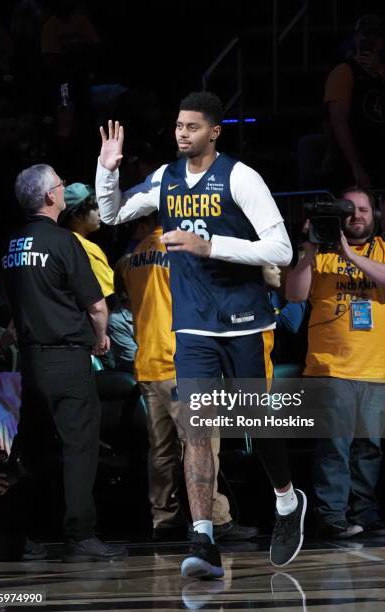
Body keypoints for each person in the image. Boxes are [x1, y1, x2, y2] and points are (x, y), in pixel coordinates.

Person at [96, 92, 306, 579]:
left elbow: (281, 247)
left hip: (243, 320)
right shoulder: (166, 179)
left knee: (257, 423)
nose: (182, 133)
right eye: (177, 125)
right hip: (191, 326)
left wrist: (209, 246)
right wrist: (107, 170)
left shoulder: (240, 177)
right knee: (195, 428)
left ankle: (286, 500)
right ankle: (203, 537)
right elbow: (111, 214)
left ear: (214, 132)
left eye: (192, 126)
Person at [1, 163, 127, 562]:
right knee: (80, 448)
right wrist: (101, 337)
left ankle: (14, 536)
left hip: (31, 361)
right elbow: (96, 305)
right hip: (68, 359)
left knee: (32, 451)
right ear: (49, 197)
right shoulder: (64, 242)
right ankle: (80, 536)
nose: (61, 189)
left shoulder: (10, 244)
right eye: (59, 184)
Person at [117, 214, 258, 542]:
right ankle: (215, 519)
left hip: (148, 365)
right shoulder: (180, 251)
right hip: (182, 363)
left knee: (161, 450)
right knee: (202, 444)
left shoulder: (131, 258)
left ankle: (164, 519)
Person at [286, 186, 385, 538]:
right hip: (330, 369)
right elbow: (294, 293)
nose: (356, 215)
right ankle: (332, 516)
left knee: (368, 449)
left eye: (364, 210)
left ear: (376, 216)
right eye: (350, 210)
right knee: (334, 446)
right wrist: (310, 249)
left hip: (376, 370)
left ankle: (365, 514)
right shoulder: (320, 254)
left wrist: (348, 253)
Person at [323, 14, 385, 189]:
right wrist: (356, 167)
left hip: (383, 162)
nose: (369, 39)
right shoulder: (344, 72)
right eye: (365, 34)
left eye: (375, 35)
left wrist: (379, 70)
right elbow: (338, 124)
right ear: (356, 37)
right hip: (353, 166)